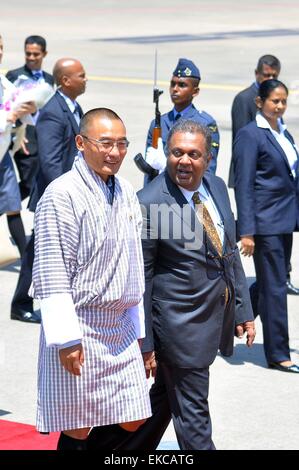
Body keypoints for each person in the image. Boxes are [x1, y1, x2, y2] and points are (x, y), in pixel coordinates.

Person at [89, 119, 255, 450]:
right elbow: (141, 279)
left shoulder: (217, 187)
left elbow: (229, 253)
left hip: (210, 319)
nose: (184, 161)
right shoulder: (150, 203)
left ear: (207, 159)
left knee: (160, 404)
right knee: (194, 417)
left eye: (194, 154)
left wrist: (242, 310)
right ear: (167, 154)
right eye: (177, 152)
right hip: (178, 330)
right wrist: (145, 341)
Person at [29, 108, 152, 450]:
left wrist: (141, 332)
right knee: (78, 425)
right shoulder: (61, 194)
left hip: (120, 324)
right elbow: (51, 268)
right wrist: (66, 339)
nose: (115, 152)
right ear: (81, 143)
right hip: (80, 322)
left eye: (122, 144)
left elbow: (133, 262)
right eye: (106, 143)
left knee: (134, 413)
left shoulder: (126, 190)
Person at [10, 57, 86, 323]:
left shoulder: (74, 106)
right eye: (81, 75)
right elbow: (50, 161)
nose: (85, 79)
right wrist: (66, 195)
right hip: (55, 197)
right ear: (65, 80)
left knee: (45, 251)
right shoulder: (53, 111)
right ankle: (21, 304)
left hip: (66, 193)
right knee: (37, 252)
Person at [233, 79, 299, 374]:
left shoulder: (284, 133)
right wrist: (246, 231)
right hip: (265, 223)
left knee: (270, 282)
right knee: (275, 289)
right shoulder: (251, 135)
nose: (280, 106)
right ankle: (279, 354)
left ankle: (231, 320)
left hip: (285, 221)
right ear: (260, 102)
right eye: (274, 101)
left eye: (283, 101)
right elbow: (244, 185)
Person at [229, 54, 299, 296]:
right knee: (268, 278)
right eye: (266, 75)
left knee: (274, 278)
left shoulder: (282, 127)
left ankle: (283, 277)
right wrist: (247, 230)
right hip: (255, 180)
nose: (269, 78)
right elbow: (243, 144)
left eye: (274, 75)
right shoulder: (244, 100)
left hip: (279, 204)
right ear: (257, 73)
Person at [144, 58, 219, 179]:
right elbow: (149, 170)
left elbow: (208, 169)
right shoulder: (158, 123)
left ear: (195, 92)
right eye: (173, 84)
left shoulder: (206, 123)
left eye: (182, 85)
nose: (175, 89)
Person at [0, 34, 36, 259]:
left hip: (2, 155)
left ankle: (26, 261)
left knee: (13, 205)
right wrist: (11, 116)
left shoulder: (4, 83)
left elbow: (23, 110)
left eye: (1, 47)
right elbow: (10, 114)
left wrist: (29, 108)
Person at [6, 35, 54, 200]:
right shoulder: (14, 76)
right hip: (24, 137)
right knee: (28, 183)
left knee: (45, 184)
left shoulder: (49, 79)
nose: (31, 58)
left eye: (36, 54)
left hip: (45, 137)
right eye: (28, 54)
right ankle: (8, 204)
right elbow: (5, 107)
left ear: (44, 54)